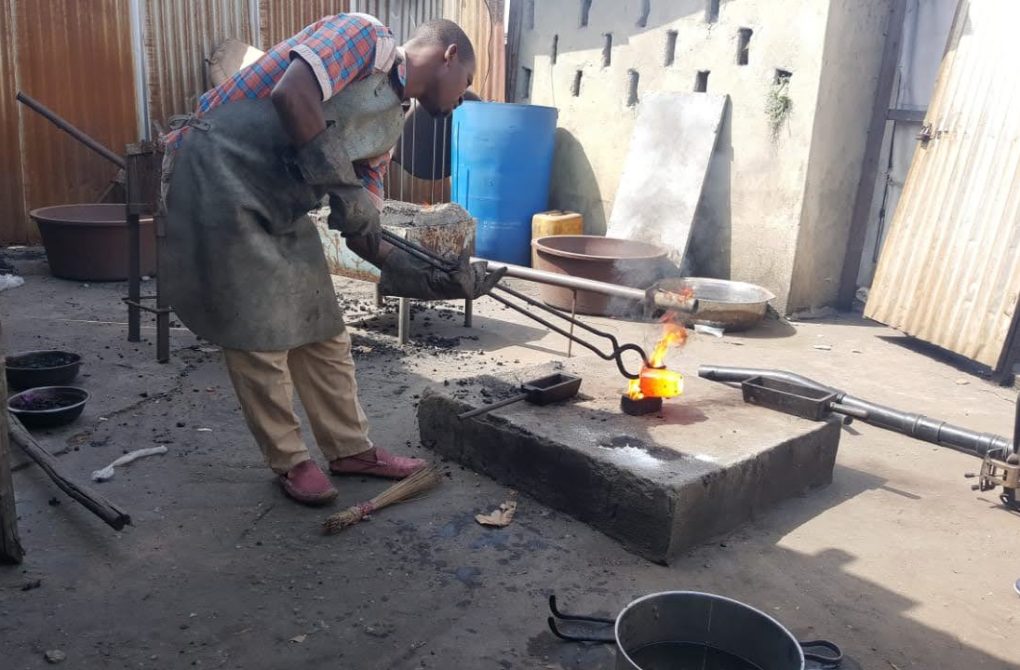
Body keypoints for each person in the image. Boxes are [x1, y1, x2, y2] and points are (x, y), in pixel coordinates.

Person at [159, 14, 503, 505]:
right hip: (219, 174)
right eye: (466, 82)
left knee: (324, 329)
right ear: (449, 55)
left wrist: (425, 276)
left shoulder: (387, 126)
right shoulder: (366, 37)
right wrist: (343, 188)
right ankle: (291, 461)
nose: (460, 99)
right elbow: (291, 95)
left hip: (279, 202)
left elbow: (362, 226)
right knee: (256, 335)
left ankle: (350, 450)